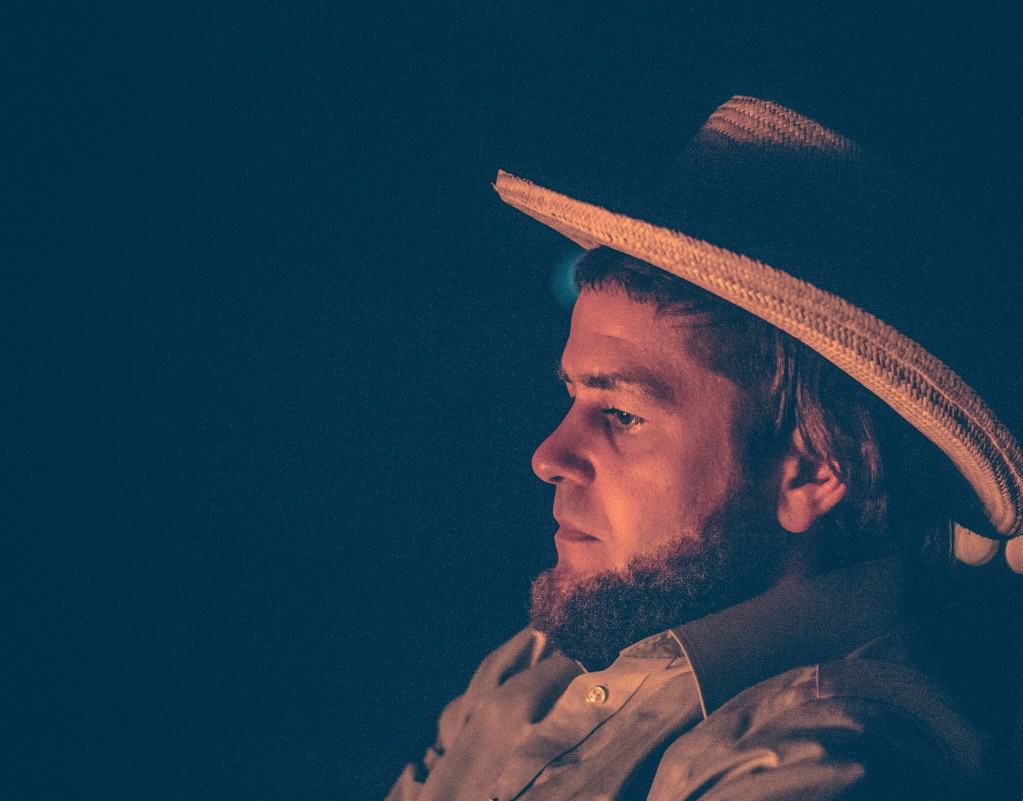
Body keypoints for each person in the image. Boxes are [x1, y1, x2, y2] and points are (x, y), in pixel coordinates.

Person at [386, 96, 1023, 801]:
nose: (548, 455)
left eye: (622, 414)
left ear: (810, 471)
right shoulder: (538, 660)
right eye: (572, 397)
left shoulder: (841, 758)